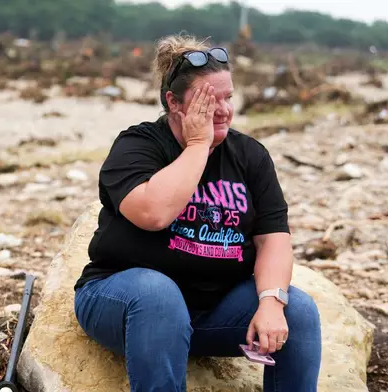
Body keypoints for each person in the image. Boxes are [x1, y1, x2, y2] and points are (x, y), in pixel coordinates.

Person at [73, 34, 322, 392]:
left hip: (213, 312)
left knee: (297, 310)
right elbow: (153, 214)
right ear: (174, 102)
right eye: (208, 101)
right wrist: (197, 145)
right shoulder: (137, 146)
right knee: (158, 295)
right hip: (125, 304)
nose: (222, 110)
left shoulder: (249, 155)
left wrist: (271, 301)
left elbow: (274, 239)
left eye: (228, 97)